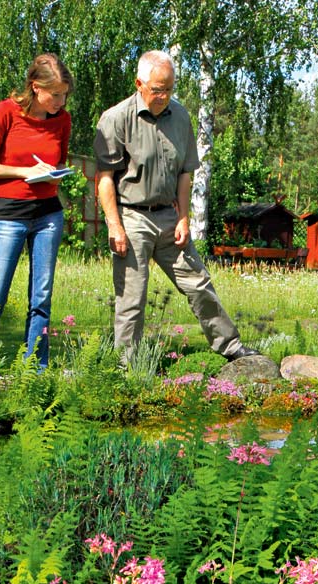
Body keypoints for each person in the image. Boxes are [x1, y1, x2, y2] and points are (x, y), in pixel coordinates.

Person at [93, 50, 259, 363]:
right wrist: (114, 225)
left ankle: (231, 347)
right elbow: (104, 179)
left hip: (169, 217)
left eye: (169, 89)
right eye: (157, 89)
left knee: (198, 283)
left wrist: (184, 218)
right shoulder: (115, 119)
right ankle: (128, 369)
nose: (164, 96)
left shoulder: (181, 117)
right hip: (131, 216)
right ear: (139, 84)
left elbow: (186, 173)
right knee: (132, 297)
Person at [0, 53, 73, 369]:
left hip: (48, 215)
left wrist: (53, 171)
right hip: (8, 216)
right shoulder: (6, 112)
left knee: (41, 299)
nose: (61, 100)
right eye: (55, 94)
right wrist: (23, 172)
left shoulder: (63, 120)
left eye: (65, 93)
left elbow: (58, 160)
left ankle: (35, 370)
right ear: (35, 87)